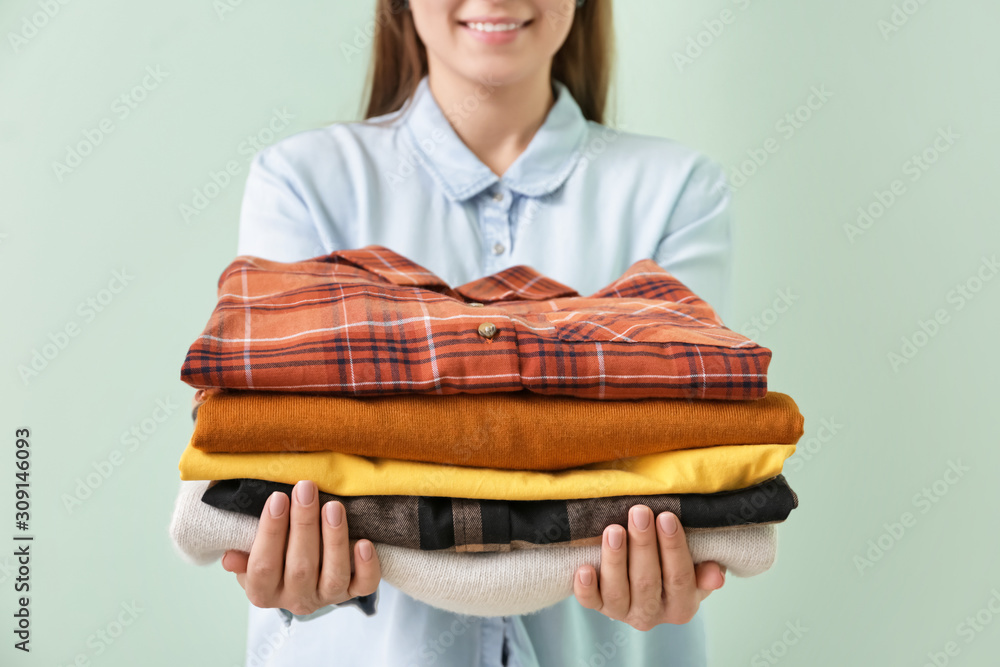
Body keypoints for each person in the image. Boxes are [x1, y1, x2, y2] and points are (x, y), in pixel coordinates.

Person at [219, 0, 733, 664]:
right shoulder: (302, 184)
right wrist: (284, 556)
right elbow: (268, 456)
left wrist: (681, 545)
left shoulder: (676, 191)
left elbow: (693, 452)